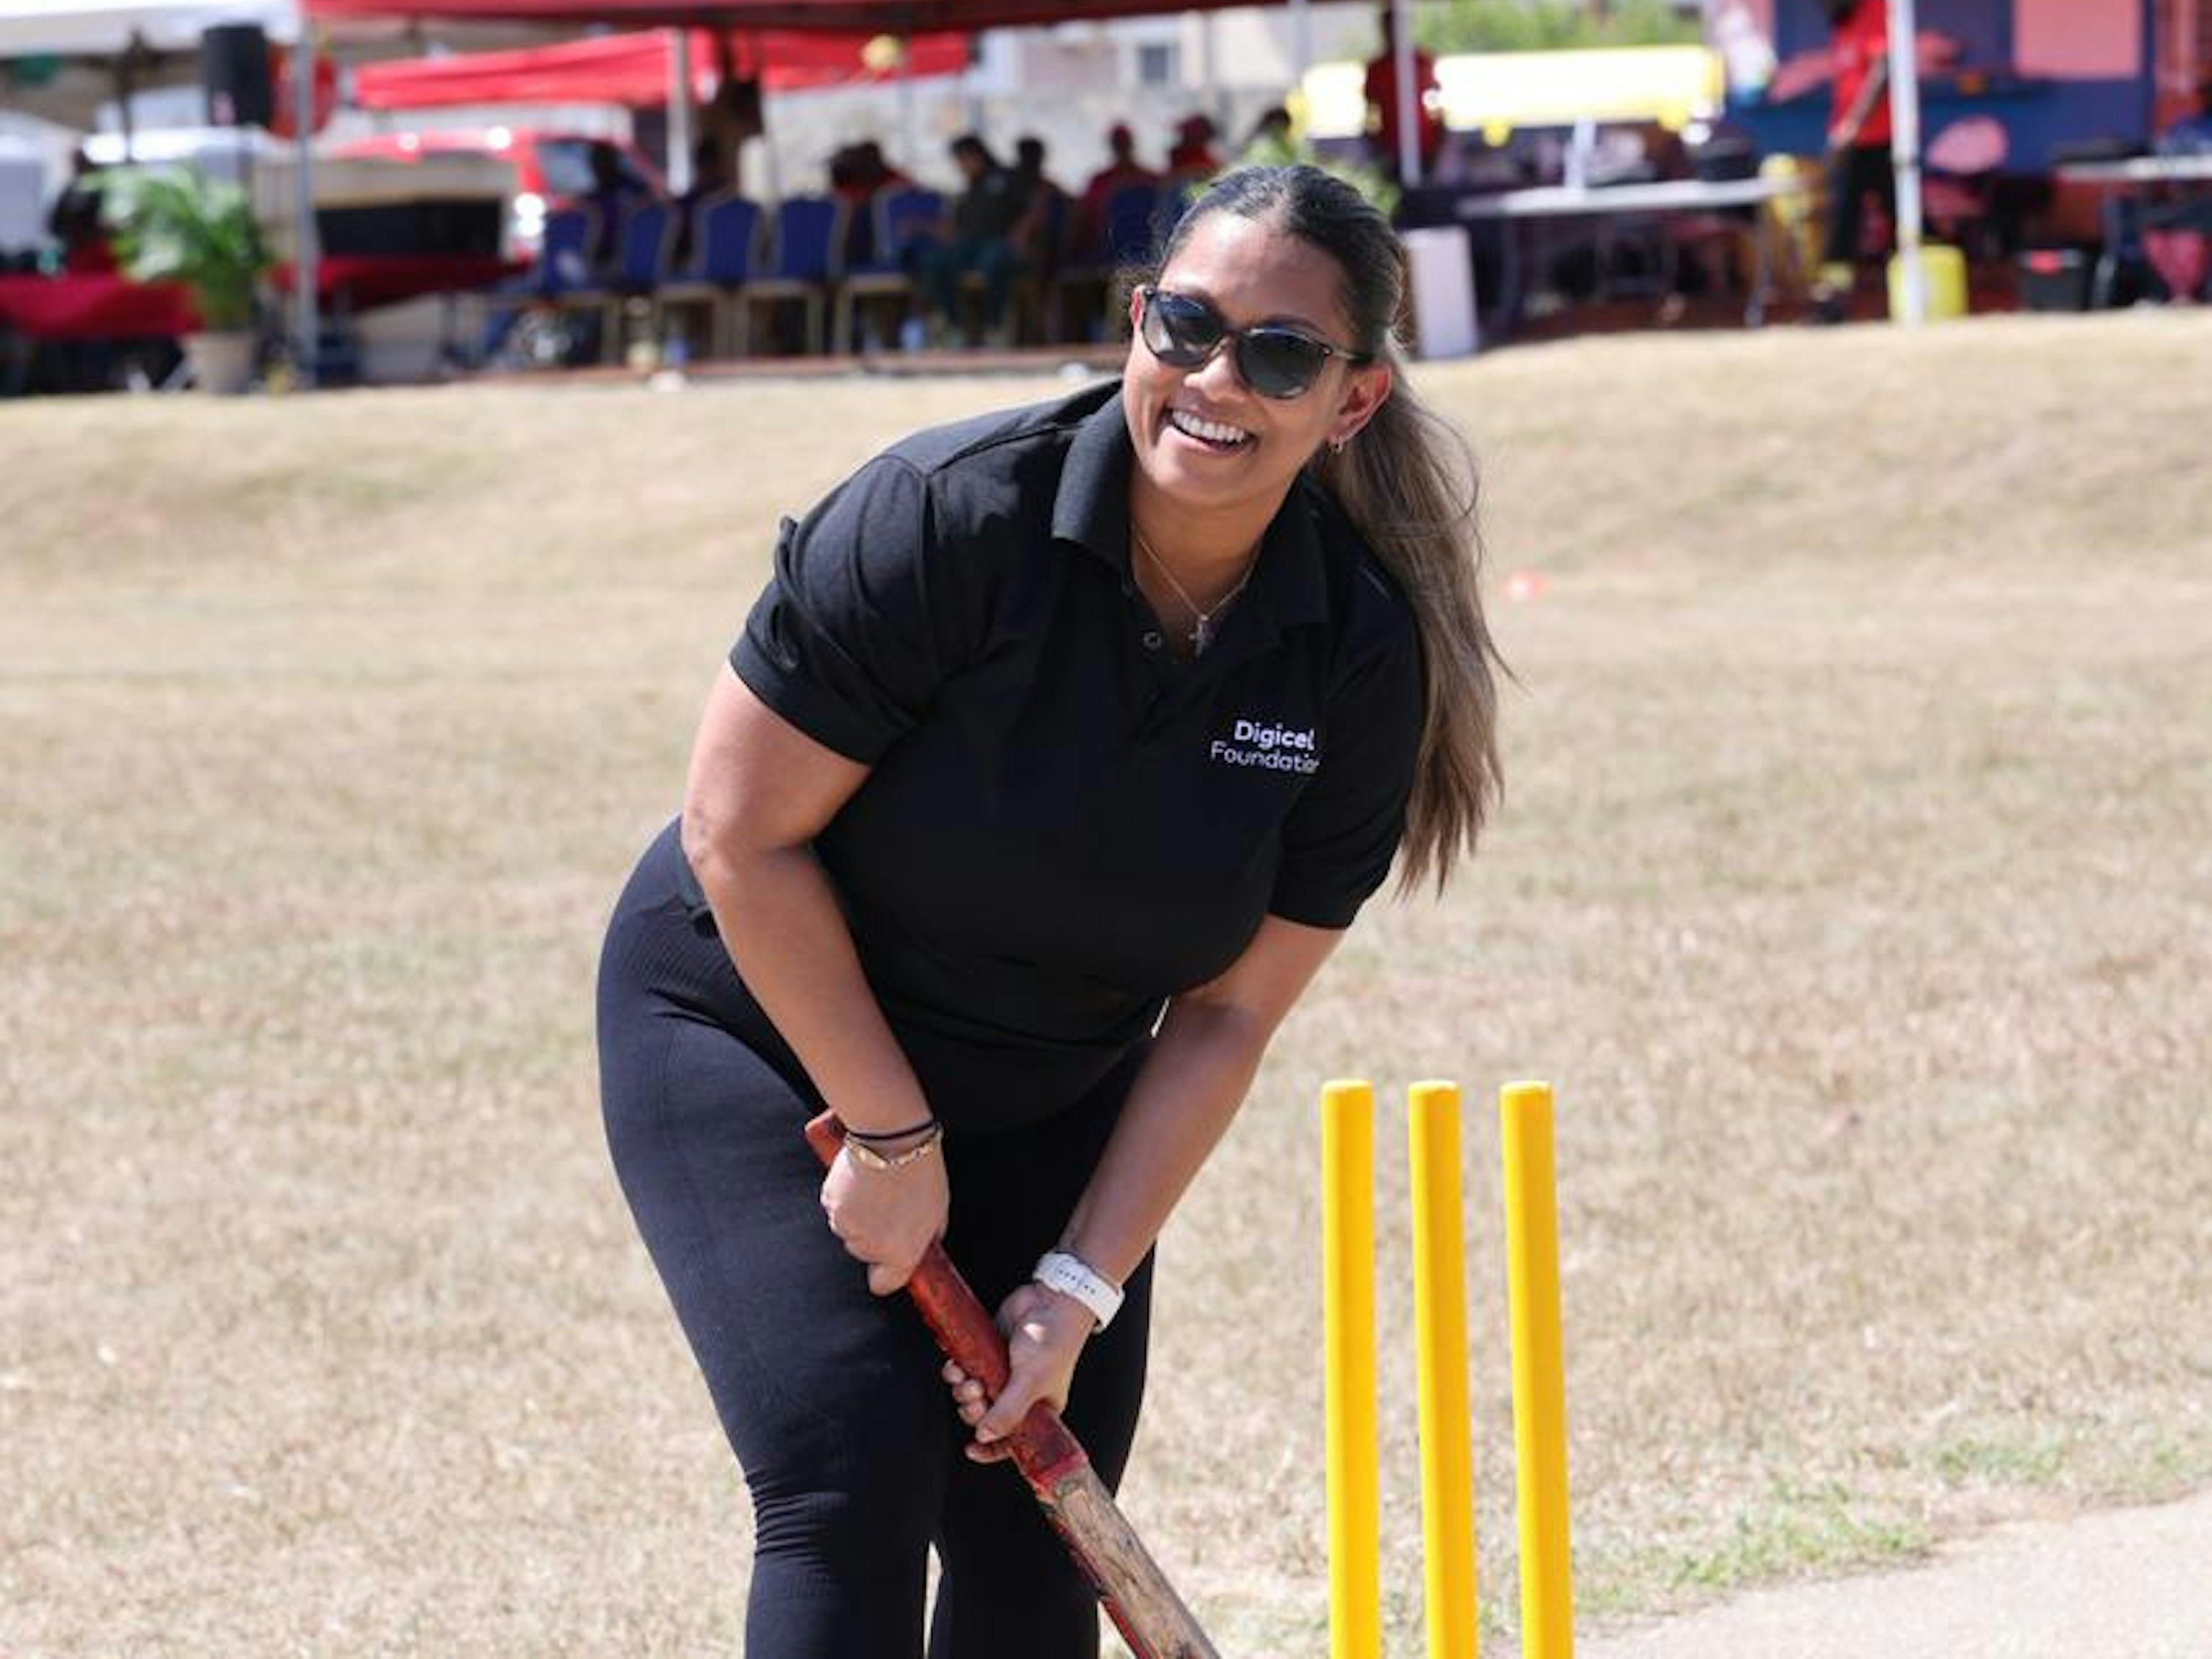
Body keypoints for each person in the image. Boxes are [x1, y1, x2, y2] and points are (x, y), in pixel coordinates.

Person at [596, 161, 1505, 1659]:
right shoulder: (952, 519)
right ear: (1136, 321)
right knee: (857, 1475)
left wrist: (1075, 1289)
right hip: (762, 1032)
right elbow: (737, 836)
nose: (1217, 380)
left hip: (1045, 1087)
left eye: (1278, 354)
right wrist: (891, 1139)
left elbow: (1224, 1016)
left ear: (1351, 401)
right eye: (1188, 326)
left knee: (1034, 1534)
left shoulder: (1349, 656)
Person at [1810, 0, 1894, 323]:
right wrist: (1839, 134)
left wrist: (1853, 125)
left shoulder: (1875, 12)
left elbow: (1883, 70)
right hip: (1850, 146)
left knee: (1906, 219)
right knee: (1841, 226)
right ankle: (1833, 304)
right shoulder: (1841, 26)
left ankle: (1924, 291)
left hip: (1881, 142)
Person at [920, 132, 1030, 345]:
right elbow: (953, 229)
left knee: (994, 263)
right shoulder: (969, 189)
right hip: (968, 245)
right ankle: (956, 327)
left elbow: (1032, 208)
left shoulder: (1007, 177)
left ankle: (995, 326)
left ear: (976, 155)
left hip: (999, 242)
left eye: (963, 160)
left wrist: (1021, 235)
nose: (961, 166)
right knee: (936, 263)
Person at [2143, 73, 2212, 304]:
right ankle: (2180, 292)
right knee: (2153, 225)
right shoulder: (2186, 126)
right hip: (2183, 199)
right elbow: (2164, 153)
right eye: (2204, 93)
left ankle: (2186, 292)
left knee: (2195, 225)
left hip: (2205, 200)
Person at [1363, 5, 1445, 185]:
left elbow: (1436, 107)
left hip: (1425, 148)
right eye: (1388, 27)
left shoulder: (1423, 62)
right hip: (1391, 150)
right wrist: (1377, 146)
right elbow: (1371, 113)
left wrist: (1438, 143)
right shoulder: (1376, 68)